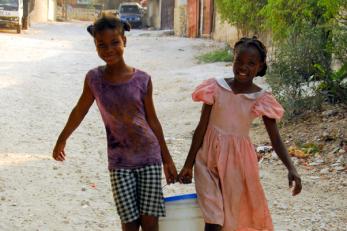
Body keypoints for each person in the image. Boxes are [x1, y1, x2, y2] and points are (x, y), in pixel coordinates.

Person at [52, 14, 177, 231]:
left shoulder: (142, 79)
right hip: (119, 162)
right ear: (95, 46)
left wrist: (167, 160)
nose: (109, 49)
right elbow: (79, 111)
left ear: (124, 42)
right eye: (102, 45)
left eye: (115, 43)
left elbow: (153, 121)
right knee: (129, 224)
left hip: (149, 157)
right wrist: (61, 139)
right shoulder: (94, 79)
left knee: (150, 223)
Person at [178, 37, 302, 231]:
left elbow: (275, 139)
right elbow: (201, 127)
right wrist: (188, 164)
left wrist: (291, 168)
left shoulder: (261, 98)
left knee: (231, 218)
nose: (243, 67)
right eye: (239, 61)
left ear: (260, 67)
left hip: (238, 163)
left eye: (251, 63)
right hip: (206, 159)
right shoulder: (216, 87)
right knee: (213, 217)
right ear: (233, 59)